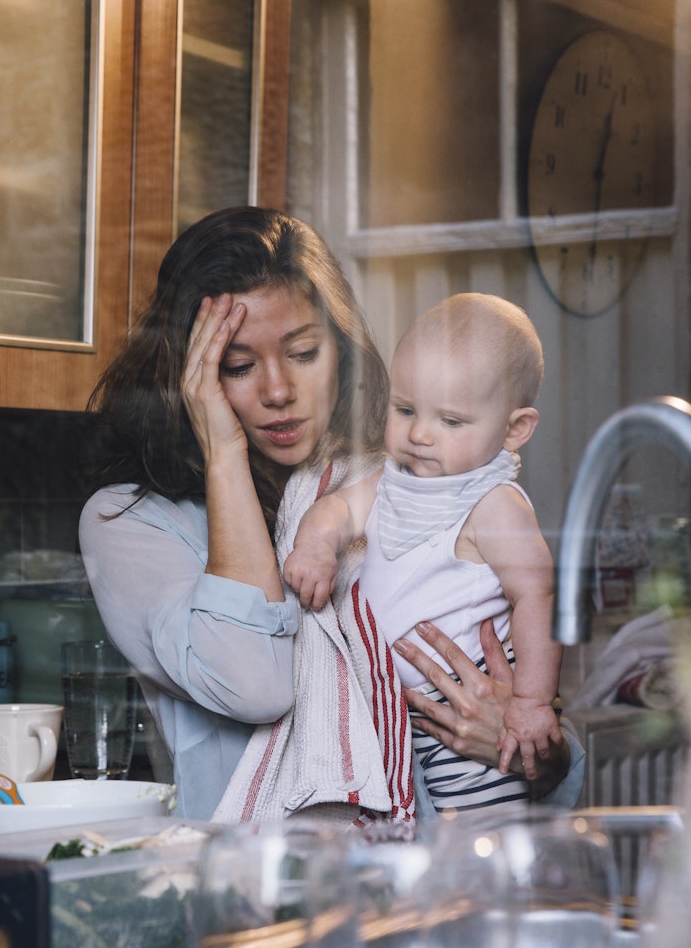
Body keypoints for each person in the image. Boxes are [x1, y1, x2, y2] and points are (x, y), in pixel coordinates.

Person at [78, 207, 581, 826]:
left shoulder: (405, 484)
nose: (279, 390)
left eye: (304, 352)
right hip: (259, 891)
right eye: (236, 367)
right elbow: (255, 683)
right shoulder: (132, 523)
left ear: (341, 353)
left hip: (429, 873)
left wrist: (530, 749)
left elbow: (550, 749)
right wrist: (224, 451)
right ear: (190, 376)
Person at [283, 293, 563, 812]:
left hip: (465, 705)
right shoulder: (395, 481)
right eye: (405, 409)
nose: (418, 434)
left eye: (451, 421)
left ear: (514, 429)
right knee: (420, 842)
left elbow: (539, 596)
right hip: (399, 714)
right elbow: (339, 511)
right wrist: (316, 544)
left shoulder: (492, 503)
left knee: (482, 838)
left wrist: (530, 702)